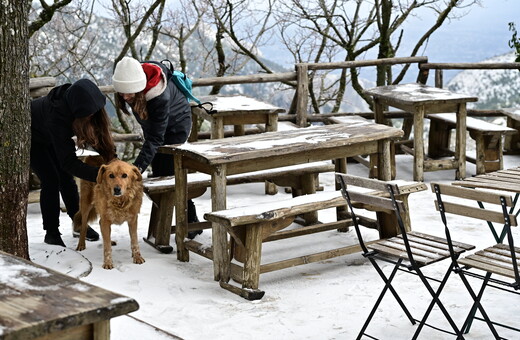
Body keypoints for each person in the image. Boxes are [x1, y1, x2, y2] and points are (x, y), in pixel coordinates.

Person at [111, 56, 202, 239]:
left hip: (176, 126)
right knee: (161, 174)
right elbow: (152, 133)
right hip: (157, 129)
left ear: (140, 87)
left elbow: (155, 138)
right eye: (122, 93)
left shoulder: (159, 97)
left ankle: (185, 223)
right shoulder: (132, 80)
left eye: (129, 93)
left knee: (168, 175)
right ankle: (164, 227)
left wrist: (134, 171)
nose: (125, 97)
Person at [31, 79, 116, 247]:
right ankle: (52, 232)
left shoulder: (83, 102)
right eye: (89, 115)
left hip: (50, 137)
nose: (93, 116)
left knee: (67, 180)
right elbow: (68, 162)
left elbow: (101, 140)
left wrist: (113, 162)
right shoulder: (57, 117)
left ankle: (78, 223)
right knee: (51, 180)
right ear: (80, 114)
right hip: (33, 138)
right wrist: (100, 174)